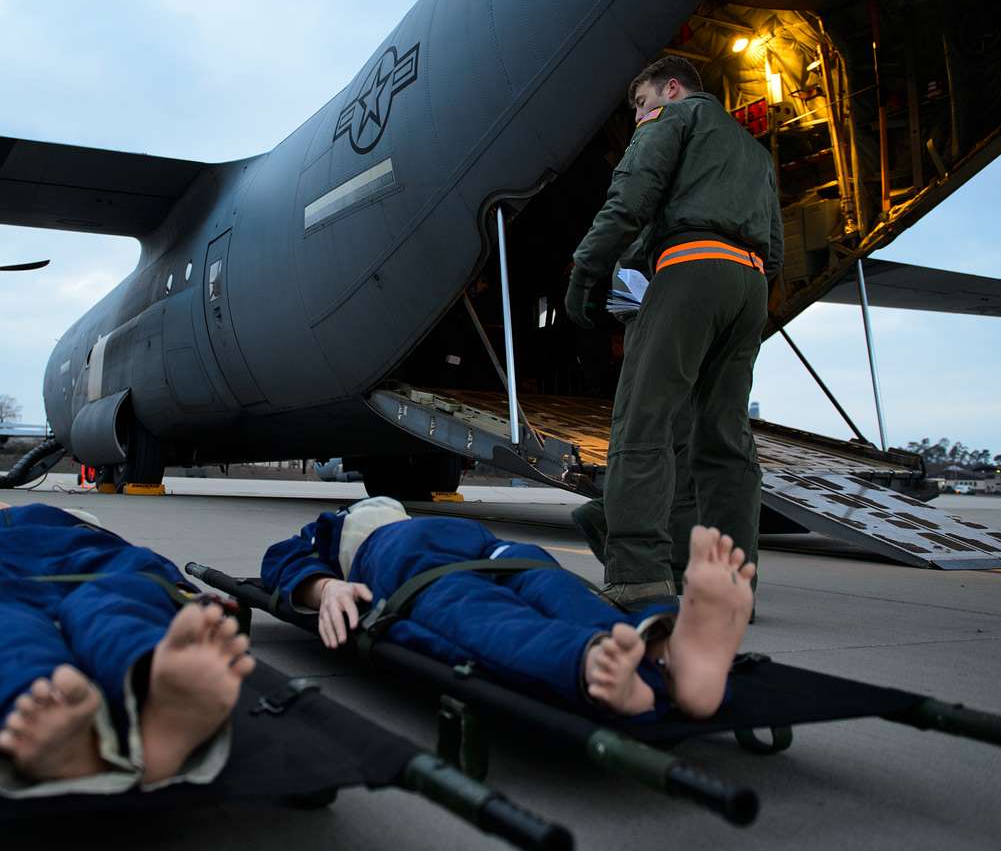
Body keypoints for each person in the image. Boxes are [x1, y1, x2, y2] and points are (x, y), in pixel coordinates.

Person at [566, 55, 781, 608]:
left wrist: (586, 269)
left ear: (673, 87)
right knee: (725, 441)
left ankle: (637, 574)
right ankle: (732, 588)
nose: (639, 114)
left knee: (645, 420)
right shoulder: (756, 154)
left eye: (641, 102)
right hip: (750, 284)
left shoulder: (673, 119)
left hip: (690, 271)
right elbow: (776, 247)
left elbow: (631, 198)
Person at [0, 502, 253, 797]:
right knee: (5, 617)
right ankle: (108, 712)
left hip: (71, 562)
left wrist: (179, 588)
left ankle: (151, 689)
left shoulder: (76, 522)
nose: (3, 506)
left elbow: (140, 557)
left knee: (110, 598)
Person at [260, 497, 755, 721]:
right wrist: (326, 590)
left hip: (447, 551)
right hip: (434, 553)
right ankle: (626, 656)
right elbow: (280, 560)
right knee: (513, 600)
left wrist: (329, 587)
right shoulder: (327, 530)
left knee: (525, 596)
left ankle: (643, 654)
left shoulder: (357, 517)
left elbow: (276, 560)